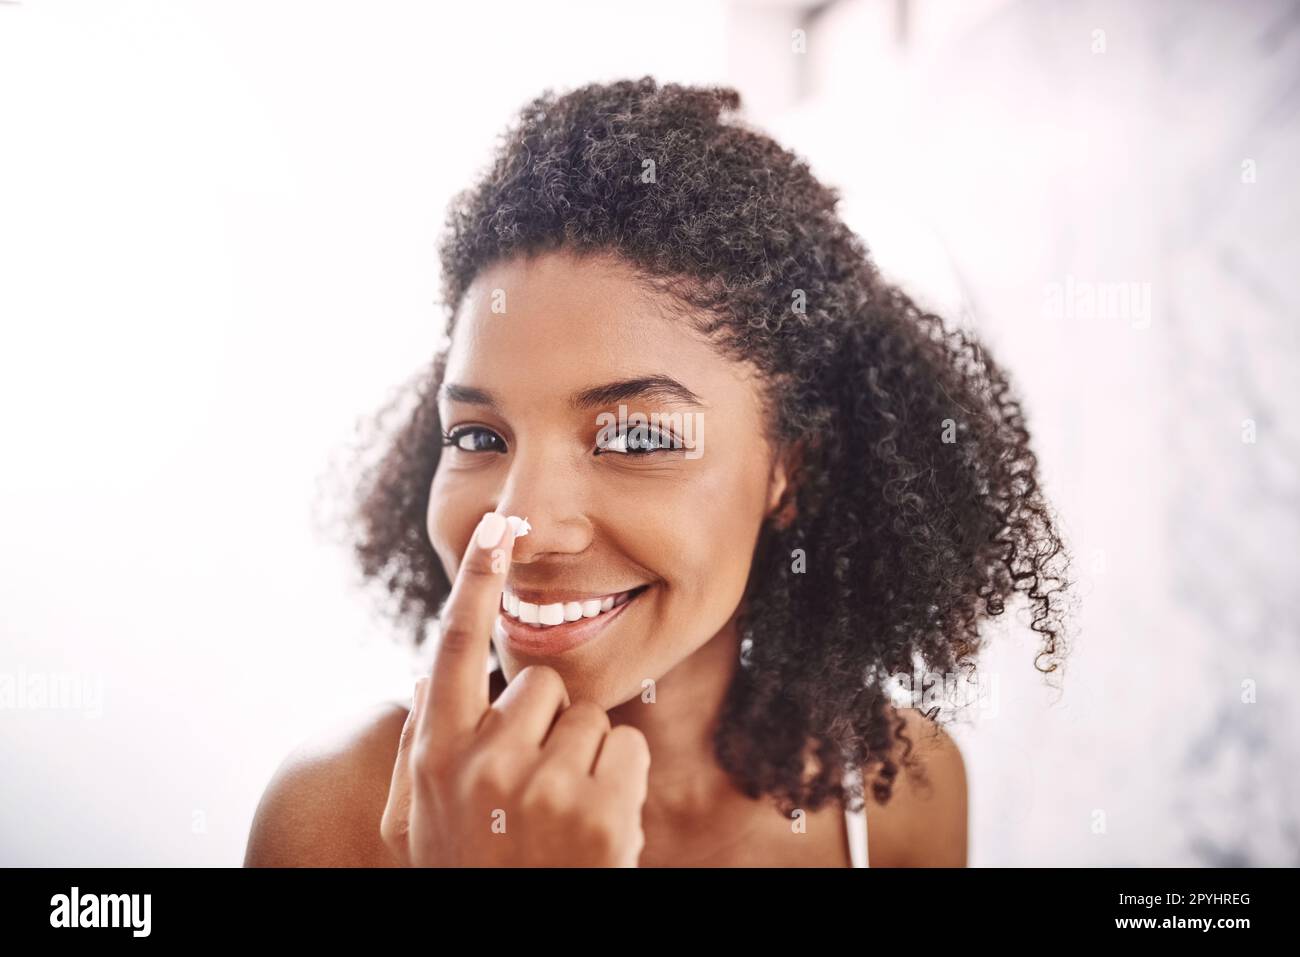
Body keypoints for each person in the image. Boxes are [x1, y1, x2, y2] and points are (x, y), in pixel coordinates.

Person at [244, 77, 1069, 867]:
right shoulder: (336, 820)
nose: (522, 522)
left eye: (635, 436)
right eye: (479, 436)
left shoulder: (902, 799)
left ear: (789, 465)